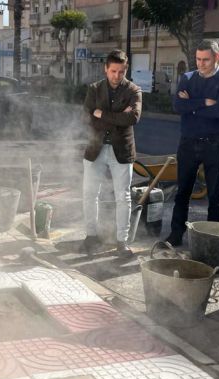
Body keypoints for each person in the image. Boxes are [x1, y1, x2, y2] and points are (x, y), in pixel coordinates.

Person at [165, 40, 219, 247]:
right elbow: (178, 106)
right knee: (182, 192)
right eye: (198, 59)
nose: (201, 64)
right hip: (188, 143)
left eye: (206, 59)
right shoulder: (187, 78)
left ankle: (213, 240)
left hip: (215, 144)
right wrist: (204, 102)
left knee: (215, 196)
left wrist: (192, 106)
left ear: (217, 58)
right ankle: (175, 235)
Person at [82, 49, 142, 257]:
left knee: (123, 197)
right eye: (113, 71)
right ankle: (91, 236)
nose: (117, 76)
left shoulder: (134, 90)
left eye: (121, 72)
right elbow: (88, 118)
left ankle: (121, 243)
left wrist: (103, 114)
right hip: (95, 148)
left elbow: (133, 118)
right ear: (105, 69)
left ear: (126, 70)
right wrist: (118, 116)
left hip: (122, 150)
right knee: (90, 194)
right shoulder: (94, 89)